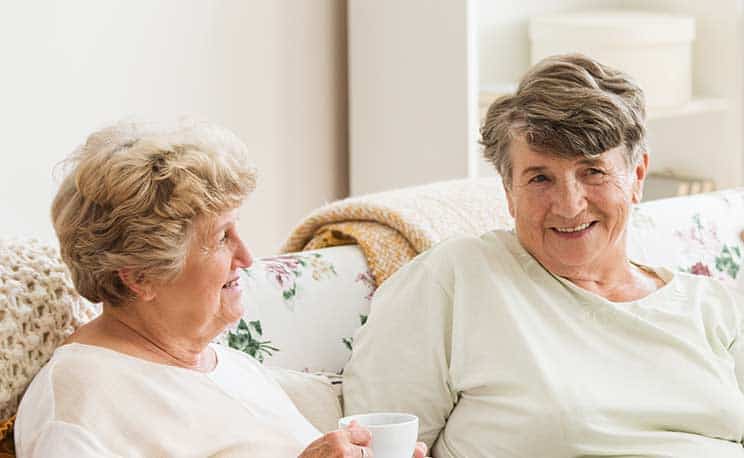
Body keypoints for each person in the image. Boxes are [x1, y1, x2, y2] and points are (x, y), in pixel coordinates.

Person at [342, 54, 744, 457]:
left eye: (593, 171)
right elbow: (376, 446)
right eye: (540, 178)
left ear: (637, 176)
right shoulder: (456, 279)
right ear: (508, 191)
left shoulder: (714, 308)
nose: (569, 205)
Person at [14, 119, 427, 458]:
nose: (247, 257)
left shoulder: (228, 367)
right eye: (221, 238)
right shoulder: (80, 406)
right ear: (141, 276)